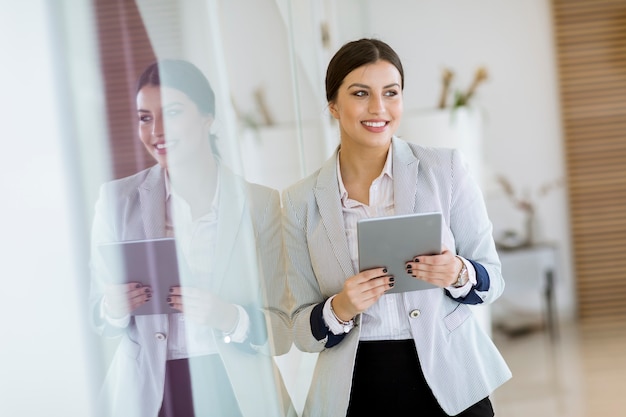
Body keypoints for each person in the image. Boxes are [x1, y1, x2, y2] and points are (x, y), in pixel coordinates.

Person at [282, 38, 511, 416]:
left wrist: (457, 272)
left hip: (449, 377)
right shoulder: (298, 202)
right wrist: (339, 308)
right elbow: (297, 330)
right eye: (361, 93)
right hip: (358, 387)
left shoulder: (445, 170)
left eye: (391, 93)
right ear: (333, 105)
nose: (379, 108)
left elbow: (493, 281)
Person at [89, 59, 294, 417]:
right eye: (145, 117)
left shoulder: (260, 203)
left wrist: (230, 317)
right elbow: (96, 316)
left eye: (171, 112)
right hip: (151, 390)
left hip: (238, 387)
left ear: (207, 116)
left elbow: (283, 325)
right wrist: (113, 308)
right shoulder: (116, 201)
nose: (156, 131)